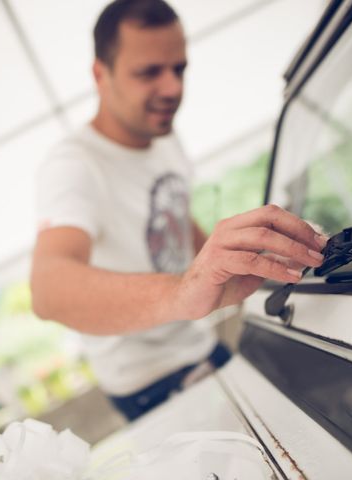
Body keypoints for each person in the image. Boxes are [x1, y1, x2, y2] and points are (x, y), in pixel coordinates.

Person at [31, 0, 326, 420]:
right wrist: (184, 290)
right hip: (150, 383)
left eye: (179, 69)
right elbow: (48, 290)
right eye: (149, 72)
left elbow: (176, 220)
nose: (172, 88)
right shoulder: (74, 166)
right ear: (101, 75)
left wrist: (243, 259)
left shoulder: (165, 139)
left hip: (200, 347)